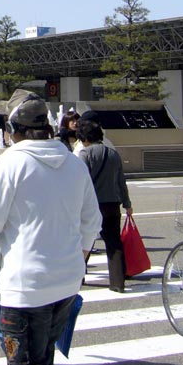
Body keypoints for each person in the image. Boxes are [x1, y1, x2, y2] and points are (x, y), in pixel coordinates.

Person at [0, 91, 101, 365]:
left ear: (13, 129)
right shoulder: (75, 163)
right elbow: (92, 220)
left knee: (21, 364)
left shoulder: (10, 164)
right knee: (44, 358)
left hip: (24, 285)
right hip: (67, 281)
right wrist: (79, 256)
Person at [79, 118, 132, 293]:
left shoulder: (85, 155)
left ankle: (78, 277)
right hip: (112, 204)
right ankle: (118, 282)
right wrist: (127, 203)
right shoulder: (113, 154)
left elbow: (81, 181)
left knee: (84, 240)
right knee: (113, 243)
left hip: (91, 204)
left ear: (85, 138)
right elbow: (121, 181)